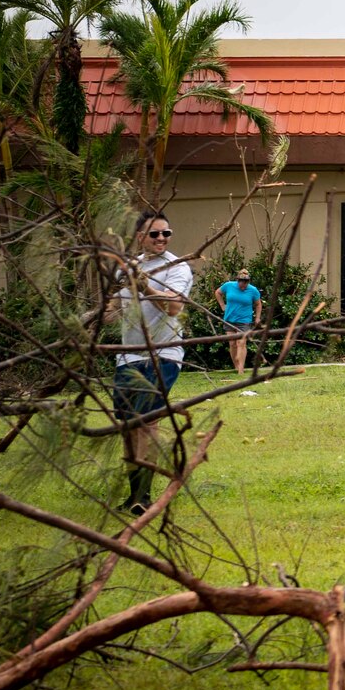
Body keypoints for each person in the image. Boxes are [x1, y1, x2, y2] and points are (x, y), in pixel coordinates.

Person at [108, 211, 194, 514]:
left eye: (166, 233)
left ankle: (142, 497)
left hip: (162, 354)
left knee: (147, 421)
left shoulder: (177, 267)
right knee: (129, 425)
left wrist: (144, 286)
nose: (161, 239)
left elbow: (173, 307)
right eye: (154, 234)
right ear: (140, 237)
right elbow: (114, 310)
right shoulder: (128, 269)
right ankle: (134, 493)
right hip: (127, 355)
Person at [216, 268, 262, 372]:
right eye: (242, 283)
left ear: (248, 282)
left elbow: (258, 304)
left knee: (241, 343)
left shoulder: (253, 290)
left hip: (244, 320)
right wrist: (223, 305)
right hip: (229, 319)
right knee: (232, 343)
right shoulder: (228, 286)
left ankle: (241, 369)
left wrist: (257, 318)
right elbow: (218, 293)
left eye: (246, 283)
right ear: (238, 281)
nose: (243, 286)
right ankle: (236, 366)